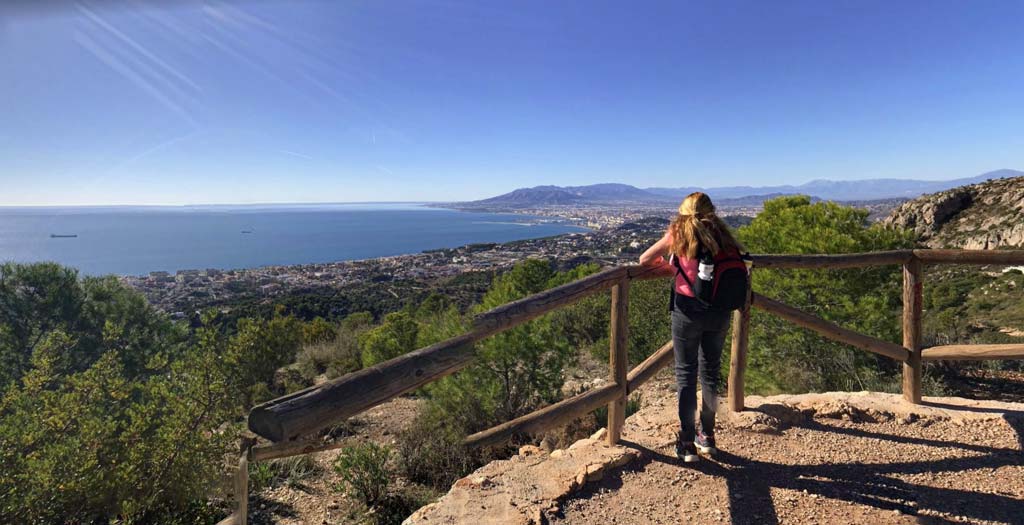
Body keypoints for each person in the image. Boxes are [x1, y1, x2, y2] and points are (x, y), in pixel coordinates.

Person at [638, 192, 745, 462]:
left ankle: (686, 442)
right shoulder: (722, 233)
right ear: (711, 210)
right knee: (710, 374)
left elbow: (644, 259)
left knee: (686, 376)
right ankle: (707, 437)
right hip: (719, 311)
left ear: (683, 211)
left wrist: (673, 267)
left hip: (687, 311)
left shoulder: (679, 232)